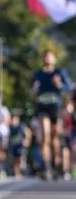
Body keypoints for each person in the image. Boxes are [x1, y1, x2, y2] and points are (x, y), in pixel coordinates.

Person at [31, 50, 72, 180]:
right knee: (45, 137)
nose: (47, 59)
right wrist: (34, 90)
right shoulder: (38, 74)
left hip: (56, 108)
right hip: (43, 107)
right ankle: (46, 168)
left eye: (50, 56)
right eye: (45, 56)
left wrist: (59, 84)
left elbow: (69, 89)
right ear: (43, 59)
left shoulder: (60, 73)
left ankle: (57, 166)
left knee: (55, 140)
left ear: (54, 59)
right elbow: (31, 92)